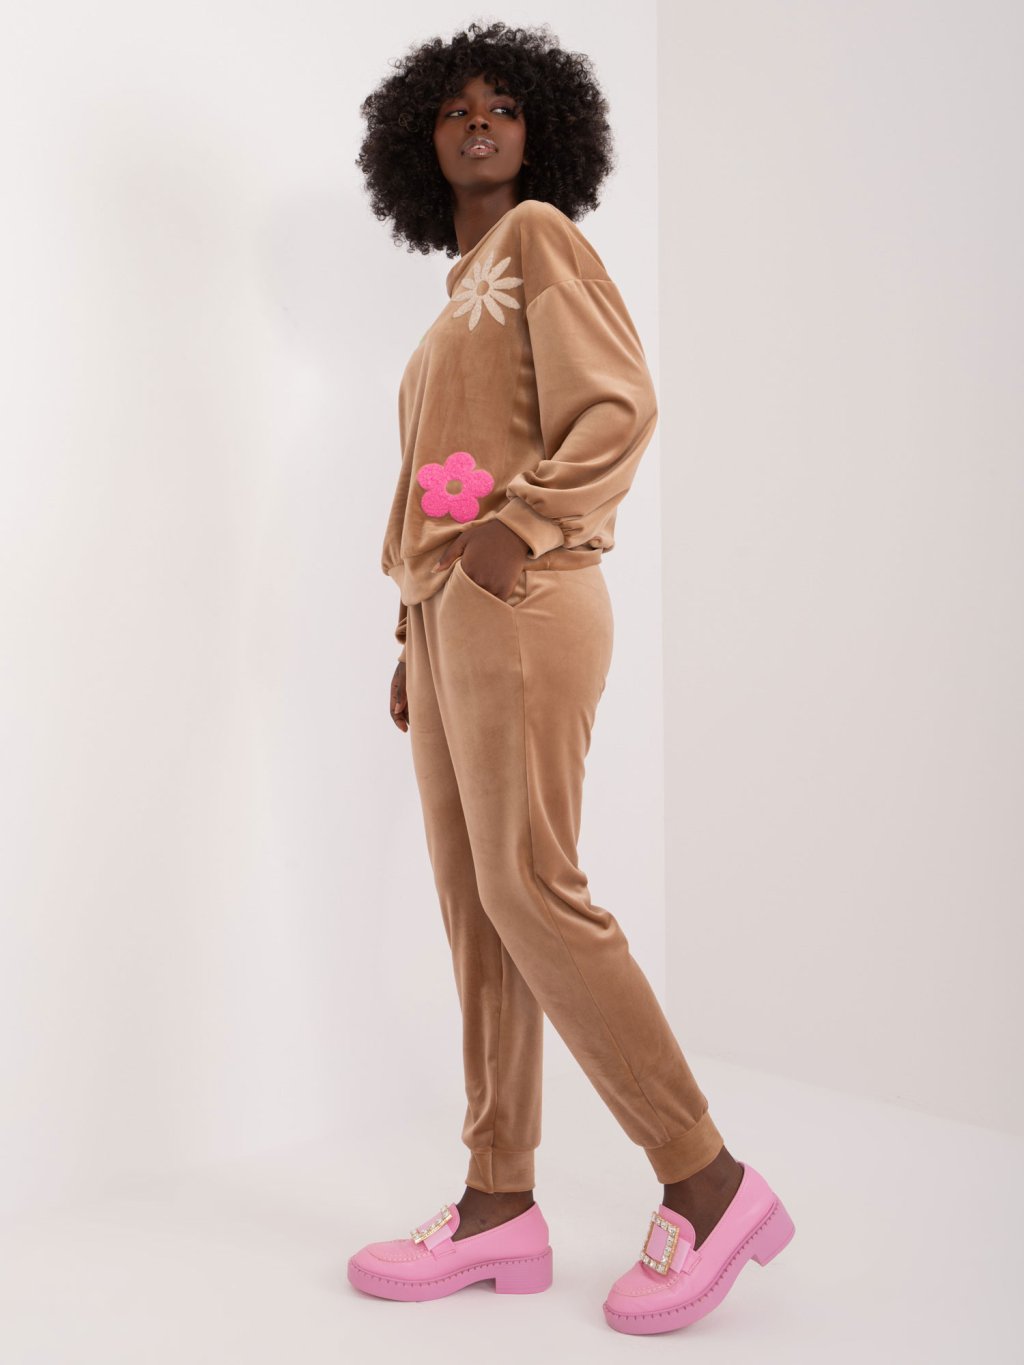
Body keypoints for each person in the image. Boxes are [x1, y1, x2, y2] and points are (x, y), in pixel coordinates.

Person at [348, 21, 794, 1333]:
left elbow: (620, 403)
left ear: (543, 131)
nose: (479, 121)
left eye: (504, 105)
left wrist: (521, 527)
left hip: (523, 595)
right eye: (454, 109)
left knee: (531, 886)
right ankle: (499, 1202)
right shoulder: (457, 296)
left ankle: (706, 1177)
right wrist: (413, 632)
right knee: (478, 906)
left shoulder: (539, 239)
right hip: (450, 616)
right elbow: (443, 473)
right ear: (420, 143)